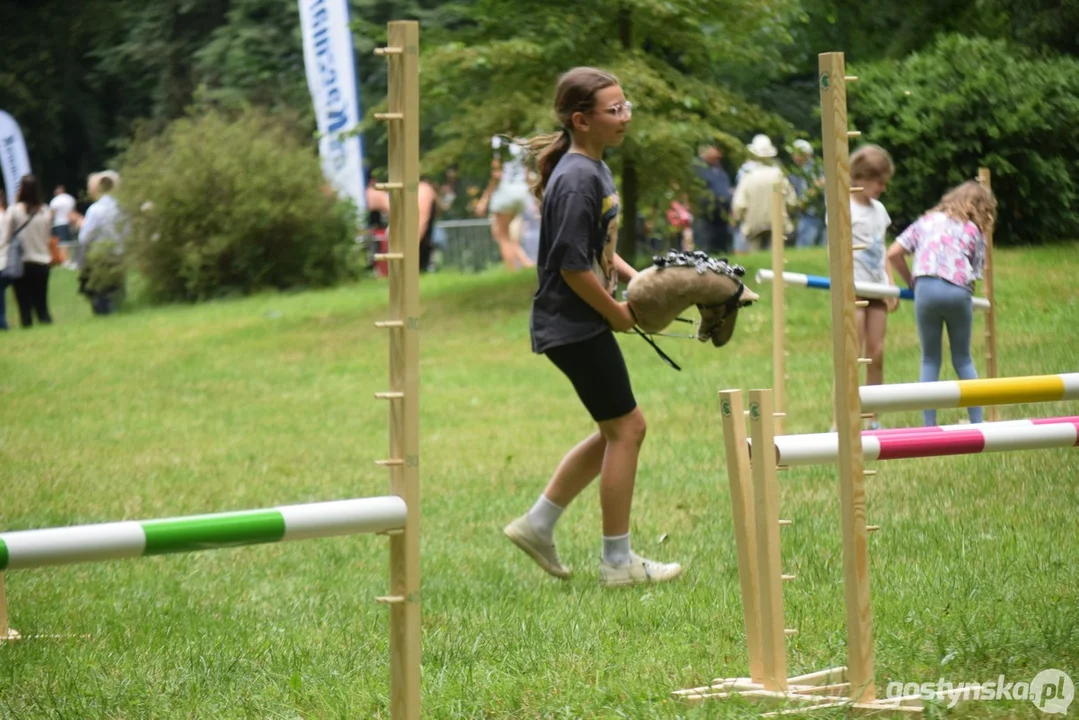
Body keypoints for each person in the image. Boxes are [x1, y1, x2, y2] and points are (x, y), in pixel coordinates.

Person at [503, 66, 682, 588]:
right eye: (614, 109)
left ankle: (538, 524)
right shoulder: (579, 177)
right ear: (581, 120)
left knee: (615, 429)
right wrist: (616, 311)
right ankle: (617, 562)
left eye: (626, 106)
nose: (625, 116)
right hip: (572, 323)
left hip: (576, 321)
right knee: (629, 428)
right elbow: (572, 267)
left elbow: (597, 250)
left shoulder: (591, 168)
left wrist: (641, 279)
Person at [888, 180, 995, 427]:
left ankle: (929, 426)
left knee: (930, 359)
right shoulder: (974, 230)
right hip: (958, 291)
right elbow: (975, 272)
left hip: (925, 288)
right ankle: (977, 422)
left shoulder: (926, 221)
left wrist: (912, 282)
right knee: (963, 359)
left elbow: (893, 253)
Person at [849, 145, 898, 428]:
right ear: (859, 177)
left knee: (876, 353)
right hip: (853, 291)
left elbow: (882, 252)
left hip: (878, 289)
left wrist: (890, 284)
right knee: (851, 355)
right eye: (878, 181)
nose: (883, 187)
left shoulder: (879, 210)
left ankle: (872, 418)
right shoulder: (845, 207)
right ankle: (841, 417)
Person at [2, 175, 54, 328]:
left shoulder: (14, 211)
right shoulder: (45, 211)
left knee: (24, 306)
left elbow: (7, 236)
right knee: (42, 304)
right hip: (42, 261)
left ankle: (28, 329)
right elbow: (47, 236)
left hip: (22, 262)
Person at [731, 134, 796, 252]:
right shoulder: (778, 174)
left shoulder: (748, 176)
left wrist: (739, 218)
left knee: (756, 255)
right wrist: (789, 213)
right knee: (776, 256)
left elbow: (740, 204)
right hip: (777, 221)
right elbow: (791, 200)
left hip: (754, 223)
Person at [476, 144, 535, 271]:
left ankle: (513, 269)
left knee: (502, 235)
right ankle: (526, 263)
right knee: (505, 235)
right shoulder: (522, 144)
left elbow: (496, 175)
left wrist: (484, 199)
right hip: (521, 192)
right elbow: (527, 175)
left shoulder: (499, 144)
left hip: (505, 192)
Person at [76, 171, 126, 315]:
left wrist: (81, 225)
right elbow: (127, 232)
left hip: (100, 257)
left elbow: (84, 238)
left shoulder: (95, 210)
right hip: (118, 254)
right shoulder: (121, 208)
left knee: (101, 294)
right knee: (117, 292)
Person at [691, 144, 733, 254]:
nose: (719, 155)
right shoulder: (697, 168)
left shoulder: (719, 170)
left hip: (722, 218)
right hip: (705, 218)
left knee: (721, 250)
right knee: (705, 250)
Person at [790, 140, 826, 247]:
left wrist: (804, 201)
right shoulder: (811, 169)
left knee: (804, 249)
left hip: (811, 214)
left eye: (795, 153)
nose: (793, 156)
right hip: (820, 214)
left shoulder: (812, 169)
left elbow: (819, 185)